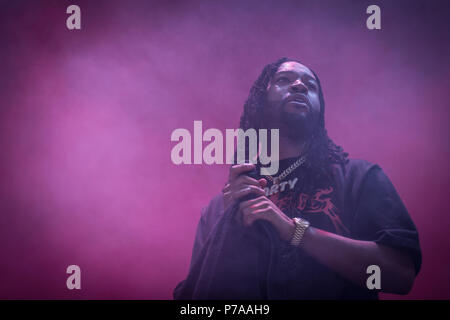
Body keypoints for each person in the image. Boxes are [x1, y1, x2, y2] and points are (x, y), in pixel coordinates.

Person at [173, 58, 422, 300]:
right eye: (284, 79)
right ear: (259, 101)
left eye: (310, 85)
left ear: (320, 109)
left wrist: (294, 231)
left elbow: (399, 276)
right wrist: (227, 229)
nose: (300, 85)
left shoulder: (359, 177)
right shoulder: (221, 206)